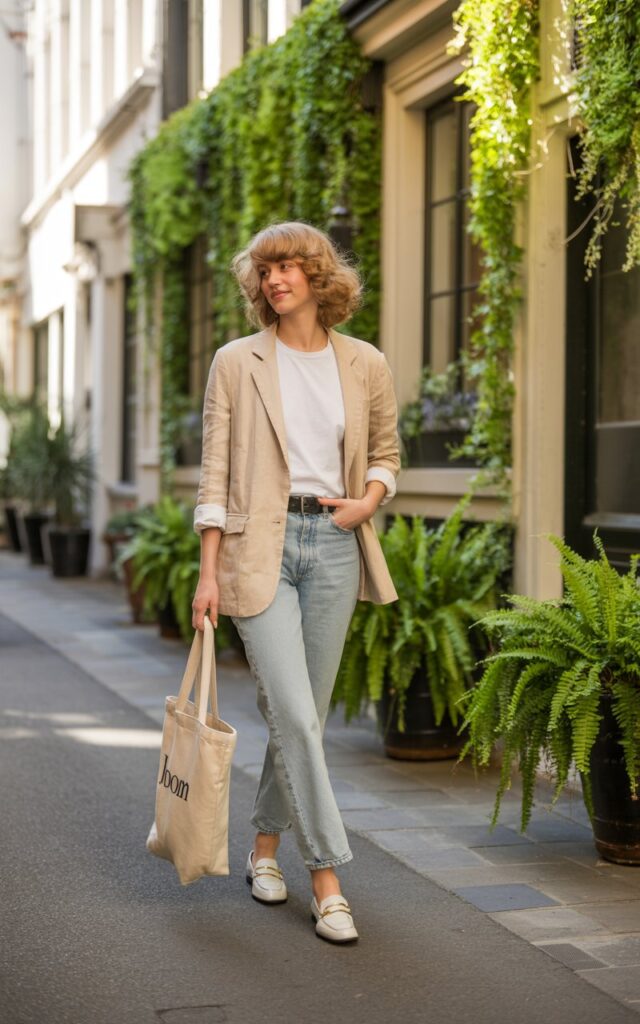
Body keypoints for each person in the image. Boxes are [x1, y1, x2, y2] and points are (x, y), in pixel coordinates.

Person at [191, 221, 399, 944]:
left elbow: (386, 453)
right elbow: (214, 471)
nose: (273, 279)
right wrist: (208, 570)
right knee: (299, 715)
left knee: (299, 715)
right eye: (264, 270)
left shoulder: (364, 362)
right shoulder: (236, 361)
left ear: (317, 275)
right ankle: (330, 880)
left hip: (335, 543)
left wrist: (368, 500)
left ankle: (265, 850)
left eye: (287, 267)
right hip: (260, 549)